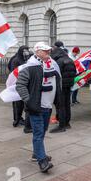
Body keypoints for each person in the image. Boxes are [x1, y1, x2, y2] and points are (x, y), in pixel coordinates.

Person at [16, 42, 61, 173]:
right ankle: (43, 161)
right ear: (37, 52)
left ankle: (37, 154)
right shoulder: (29, 67)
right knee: (38, 133)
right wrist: (28, 101)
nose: (48, 52)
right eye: (45, 51)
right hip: (36, 107)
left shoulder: (51, 64)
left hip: (47, 106)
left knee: (42, 131)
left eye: (49, 50)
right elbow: (20, 85)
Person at [50, 41, 77, 133]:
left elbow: (55, 74)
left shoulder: (58, 61)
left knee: (60, 105)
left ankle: (61, 125)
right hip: (68, 85)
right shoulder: (70, 60)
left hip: (60, 86)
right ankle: (67, 123)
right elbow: (74, 73)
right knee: (67, 104)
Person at [9, 46, 32, 128]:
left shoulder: (25, 60)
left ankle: (19, 118)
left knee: (21, 104)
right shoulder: (16, 60)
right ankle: (16, 120)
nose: (27, 52)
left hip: (23, 85)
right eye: (25, 51)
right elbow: (14, 72)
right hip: (17, 84)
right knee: (17, 104)